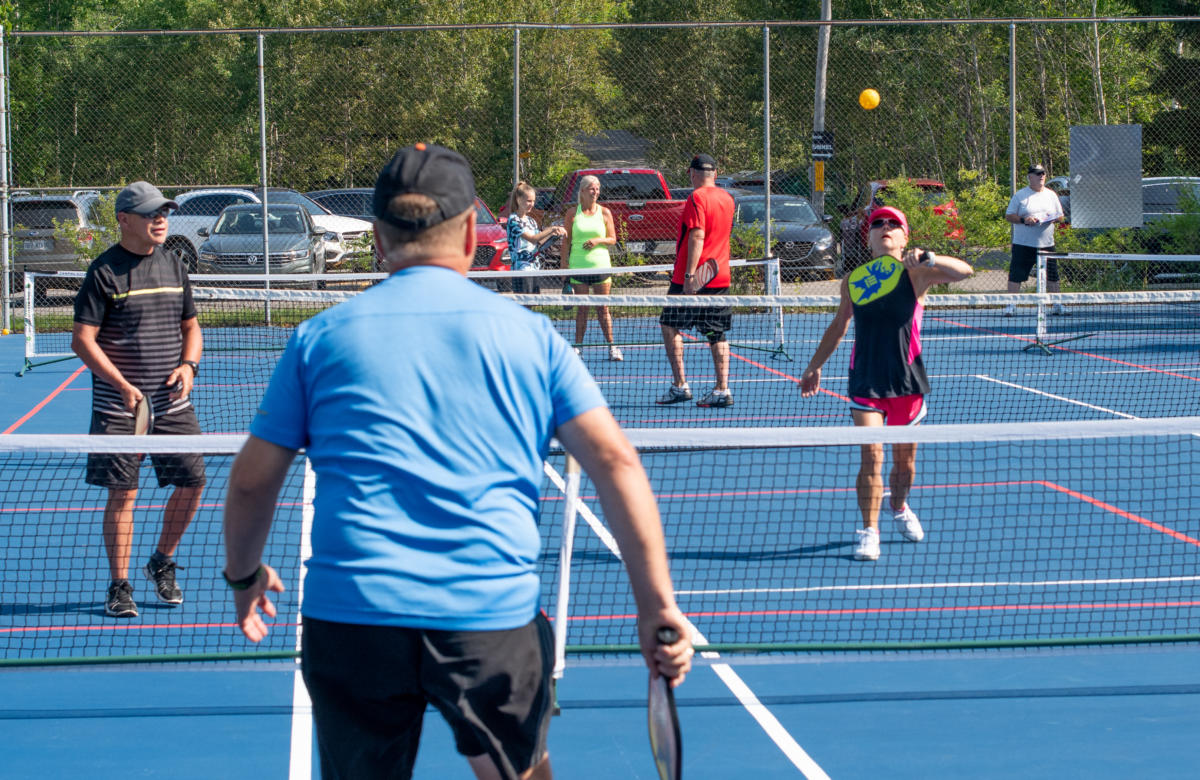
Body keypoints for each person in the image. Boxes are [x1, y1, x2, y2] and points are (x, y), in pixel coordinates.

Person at [223, 143, 692, 780]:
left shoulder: (319, 338)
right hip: (490, 616)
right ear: (472, 230)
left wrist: (243, 576)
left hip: (354, 619)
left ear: (380, 239)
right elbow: (615, 464)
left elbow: (251, 485)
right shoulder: (531, 337)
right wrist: (657, 607)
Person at [799, 206, 972, 562]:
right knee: (871, 456)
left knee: (905, 466)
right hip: (866, 380)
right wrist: (815, 366)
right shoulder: (854, 280)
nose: (885, 228)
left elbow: (965, 272)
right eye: (878, 224)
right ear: (869, 237)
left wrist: (928, 257)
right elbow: (839, 324)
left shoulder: (917, 274)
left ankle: (899, 505)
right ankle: (869, 531)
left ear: (904, 235)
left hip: (907, 381)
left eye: (894, 224)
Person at [71, 181, 205, 618]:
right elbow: (83, 340)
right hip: (119, 406)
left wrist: (188, 366)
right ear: (124, 220)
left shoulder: (174, 265)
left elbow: (192, 328)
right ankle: (120, 585)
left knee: (193, 482)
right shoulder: (104, 271)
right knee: (123, 495)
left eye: (163, 212)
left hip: (171, 403)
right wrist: (123, 386)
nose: (160, 219)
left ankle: (161, 561)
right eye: (150, 214)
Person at [657, 153, 736, 408]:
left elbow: (697, 236)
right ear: (716, 172)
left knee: (669, 325)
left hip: (688, 279)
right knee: (717, 333)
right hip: (720, 275)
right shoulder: (728, 198)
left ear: (692, 173)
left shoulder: (696, 197)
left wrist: (690, 277)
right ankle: (722, 390)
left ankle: (680, 385)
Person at [564, 174, 623, 360]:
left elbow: (613, 239)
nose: (595, 192)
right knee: (582, 308)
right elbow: (566, 242)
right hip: (578, 266)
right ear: (582, 191)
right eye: (591, 188)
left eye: (597, 189)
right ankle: (578, 347)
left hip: (601, 266)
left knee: (602, 308)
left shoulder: (604, 213)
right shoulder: (572, 213)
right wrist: (563, 268)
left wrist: (598, 240)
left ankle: (612, 347)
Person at [1003, 163, 1066, 316]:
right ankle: (1011, 305)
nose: (1041, 176)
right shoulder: (1020, 195)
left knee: (1052, 276)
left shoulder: (1051, 195)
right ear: (1030, 177)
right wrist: (1025, 220)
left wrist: (1050, 219)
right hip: (1023, 244)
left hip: (1047, 244)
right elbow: (1009, 216)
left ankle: (1057, 304)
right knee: (1016, 275)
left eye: (1043, 173)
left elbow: (1061, 217)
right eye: (1037, 173)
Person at [505, 181, 565, 294]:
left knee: (533, 303)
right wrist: (551, 228)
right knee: (524, 305)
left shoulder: (531, 221)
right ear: (518, 199)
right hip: (521, 270)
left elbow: (539, 241)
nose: (531, 204)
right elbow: (532, 238)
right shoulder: (513, 220)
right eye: (528, 201)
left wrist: (553, 235)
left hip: (535, 268)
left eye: (533, 201)